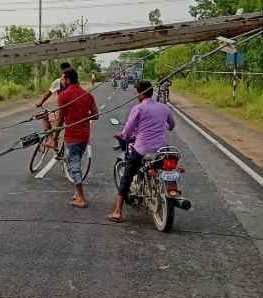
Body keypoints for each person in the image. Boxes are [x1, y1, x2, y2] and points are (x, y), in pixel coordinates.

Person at [106, 80, 175, 223]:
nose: (136, 95)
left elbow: (129, 130)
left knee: (127, 176)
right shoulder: (164, 108)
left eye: (137, 92)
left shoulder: (138, 108)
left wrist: (122, 135)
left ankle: (117, 212)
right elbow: (171, 125)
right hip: (161, 149)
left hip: (142, 148)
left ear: (141, 93)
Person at [56, 68, 99, 209]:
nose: (62, 81)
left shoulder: (63, 95)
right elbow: (96, 115)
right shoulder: (87, 95)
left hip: (72, 136)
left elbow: (60, 120)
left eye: (63, 79)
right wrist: (83, 116)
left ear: (68, 79)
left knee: (73, 165)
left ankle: (81, 197)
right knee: (77, 162)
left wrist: (54, 137)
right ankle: (77, 193)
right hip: (84, 135)